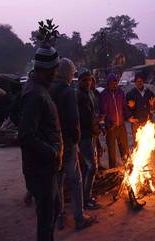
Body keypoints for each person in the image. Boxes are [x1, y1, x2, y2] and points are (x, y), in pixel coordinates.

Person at [18, 45, 63, 241]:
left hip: (47, 167)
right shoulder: (35, 94)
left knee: (54, 210)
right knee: (46, 219)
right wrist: (52, 151)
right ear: (45, 69)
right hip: (41, 169)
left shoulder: (39, 89)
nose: (56, 72)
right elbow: (26, 136)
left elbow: (14, 113)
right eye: (54, 68)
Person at [49, 59, 96, 231]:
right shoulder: (68, 92)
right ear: (68, 73)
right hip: (67, 144)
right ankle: (79, 217)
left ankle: (60, 217)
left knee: (59, 181)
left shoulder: (50, 89)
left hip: (53, 144)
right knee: (75, 180)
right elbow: (73, 119)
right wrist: (75, 140)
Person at [77, 68, 101, 210]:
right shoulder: (80, 96)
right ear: (79, 81)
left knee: (87, 167)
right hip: (84, 136)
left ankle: (85, 196)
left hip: (90, 134)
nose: (87, 82)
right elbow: (84, 119)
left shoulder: (89, 93)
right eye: (84, 80)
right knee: (92, 166)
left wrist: (97, 122)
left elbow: (91, 115)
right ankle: (86, 199)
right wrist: (95, 126)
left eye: (89, 79)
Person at [99, 73, 130, 168]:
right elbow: (102, 112)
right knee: (112, 151)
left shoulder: (120, 92)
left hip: (121, 126)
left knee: (124, 149)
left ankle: (128, 168)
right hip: (110, 127)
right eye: (112, 83)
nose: (114, 85)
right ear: (108, 84)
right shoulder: (103, 95)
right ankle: (113, 171)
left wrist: (128, 117)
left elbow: (124, 107)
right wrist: (105, 126)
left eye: (116, 83)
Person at [126, 72, 155, 141]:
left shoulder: (149, 93)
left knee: (148, 143)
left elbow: (154, 107)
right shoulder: (130, 94)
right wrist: (129, 117)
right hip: (136, 123)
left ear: (143, 81)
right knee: (138, 144)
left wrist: (152, 106)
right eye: (137, 81)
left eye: (141, 81)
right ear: (135, 82)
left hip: (147, 122)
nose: (139, 83)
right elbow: (126, 108)